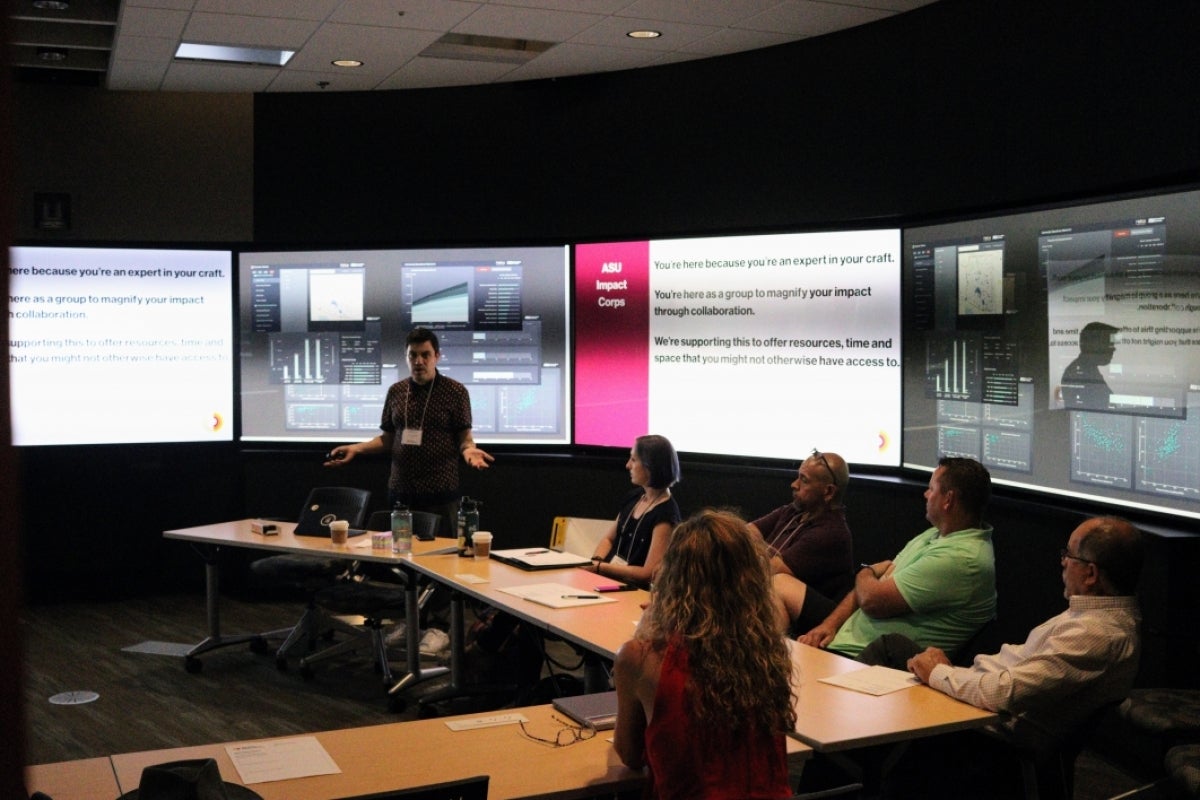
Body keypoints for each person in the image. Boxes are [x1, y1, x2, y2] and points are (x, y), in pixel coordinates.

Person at [906, 515, 1144, 754]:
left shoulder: (1095, 635)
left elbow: (1000, 694)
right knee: (895, 653)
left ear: (1090, 574)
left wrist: (938, 673)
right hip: (977, 701)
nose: (1063, 562)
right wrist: (950, 674)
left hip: (989, 737)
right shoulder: (1093, 616)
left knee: (892, 654)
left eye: (1069, 555)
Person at [613, 509, 797, 800]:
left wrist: (645, 633)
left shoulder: (640, 657)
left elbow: (630, 755)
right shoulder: (768, 653)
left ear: (672, 575)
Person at [798, 456, 995, 662]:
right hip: (845, 642)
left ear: (948, 500)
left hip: (873, 664)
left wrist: (866, 571)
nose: (925, 494)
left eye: (931, 489)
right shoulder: (935, 534)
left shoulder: (960, 559)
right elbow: (871, 588)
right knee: (779, 585)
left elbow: (872, 600)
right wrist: (830, 625)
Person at [325, 326, 493, 536]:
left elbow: (465, 438)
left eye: (425, 355)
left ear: (437, 356)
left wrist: (468, 450)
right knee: (398, 557)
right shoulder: (396, 391)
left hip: (440, 495)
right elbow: (387, 439)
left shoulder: (455, 392)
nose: (419, 361)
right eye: (413, 355)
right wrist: (356, 449)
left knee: (440, 559)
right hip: (400, 494)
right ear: (406, 357)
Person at [752, 449, 854, 635]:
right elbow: (745, 532)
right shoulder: (794, 511)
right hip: (777, 604)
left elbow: (767, 571)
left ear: (828, 491)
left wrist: (747, 548)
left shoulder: (830, 532)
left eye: (804, 480)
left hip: (816, 621)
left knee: (772, 583)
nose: (794, 484)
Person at [585, 434, 682, 588]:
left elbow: (648, 573)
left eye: (634, 460)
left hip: (635, 590)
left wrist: (599, 567)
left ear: (650, 466)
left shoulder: (666, 515)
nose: (628, 465)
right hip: (611, 580)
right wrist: (597, 560)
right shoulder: (635, 497)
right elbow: (608, 539)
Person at [1060, 321, 1120, 410]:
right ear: (1096, 345)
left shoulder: (1086, 369)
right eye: (1110, 344)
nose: (1114, 349)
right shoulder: (1078, 374)